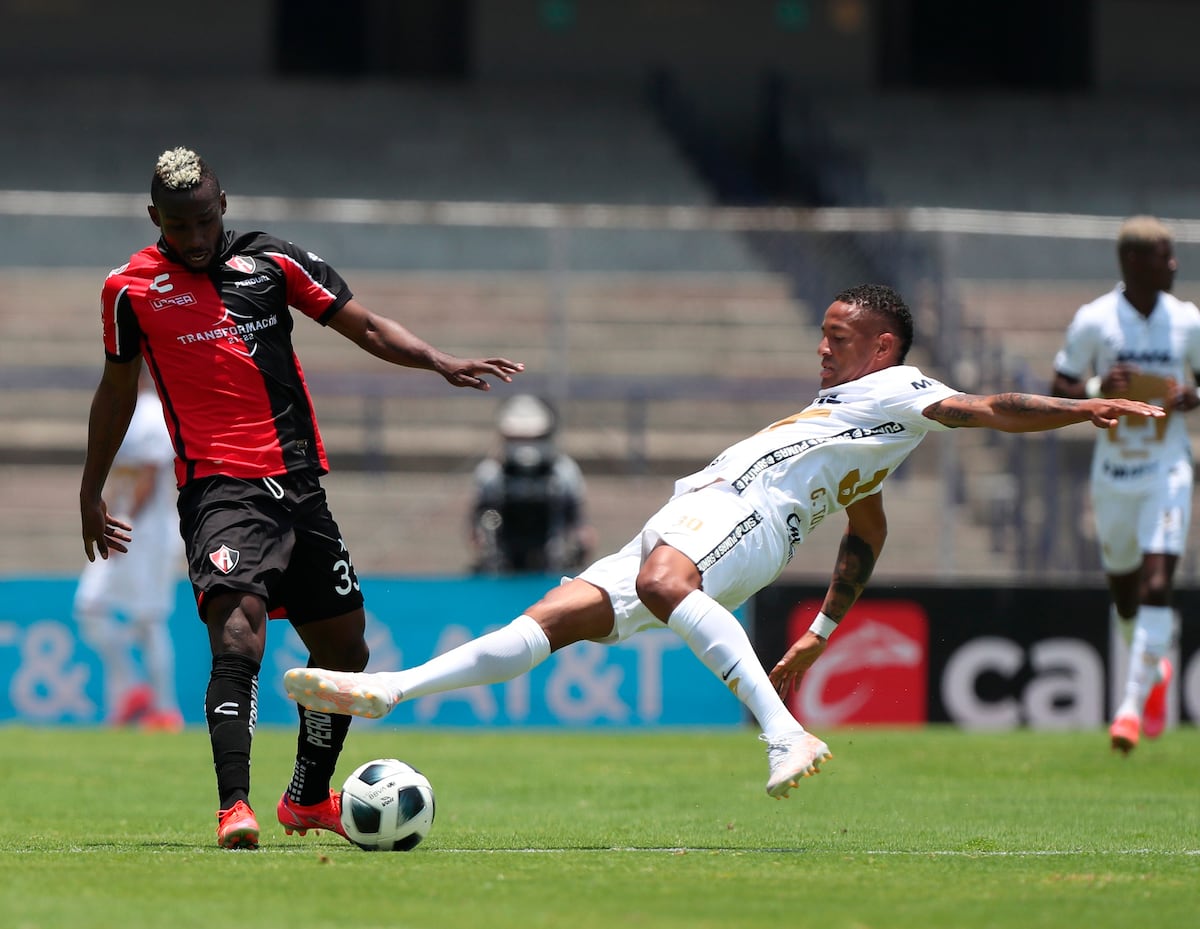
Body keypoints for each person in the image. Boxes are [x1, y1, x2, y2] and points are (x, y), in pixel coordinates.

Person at [284, 283, 1161, 799]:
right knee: (552, 618)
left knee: (668, 584)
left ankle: (783, 735)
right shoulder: (858, 431)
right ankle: (394, 690)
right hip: (700, 506)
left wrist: (1081, 407)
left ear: (884, 346)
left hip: (742, 513)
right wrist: (817, 637)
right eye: (821, 336)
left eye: (839, 338)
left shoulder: (901, 387)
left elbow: (984, 410)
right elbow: (867, 532)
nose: (822, 350)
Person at [78, 147, 524, 850]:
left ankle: (307, 796)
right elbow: (114, 393)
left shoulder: (272, 263)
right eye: (176, 226)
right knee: (237, 631)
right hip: (219, 489)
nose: (192, 240)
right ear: (152, 218)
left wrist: (437, 359)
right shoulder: (130, 290)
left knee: (346, 649)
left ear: (223, 205)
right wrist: (89, 490)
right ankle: (235, 806)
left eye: (202, 222)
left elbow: (365, 324)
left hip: (299, 486)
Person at [1050, 215, 1200, 755]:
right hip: (1114, 472)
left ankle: (1130, 708)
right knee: (1126, 592)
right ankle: (1152, 667)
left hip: (1168, 466)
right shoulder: (1094, 320)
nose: (1176, 265)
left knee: (1158, 582)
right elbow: (1060, 385)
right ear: (1136, 262)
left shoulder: (1187, 321)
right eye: (1166, 255)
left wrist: (1191, 396)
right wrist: (1095, 386)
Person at [74, 370, 185, 731]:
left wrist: (124, 522)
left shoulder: (151, 413)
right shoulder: (118, 410)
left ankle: (165, 709)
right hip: (119, 527)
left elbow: (149, 478)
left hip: (147, 533)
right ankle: (135, 689)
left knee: (148, 617)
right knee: (90, 606)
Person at [469, 393, 594, 574]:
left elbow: (578, 519)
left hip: (551, 564)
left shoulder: (564, 471)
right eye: (517, 439)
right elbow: (478, 518)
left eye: (534, 439)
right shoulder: (491, 473)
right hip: (502, 566)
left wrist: (581, 541)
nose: (525, 447)